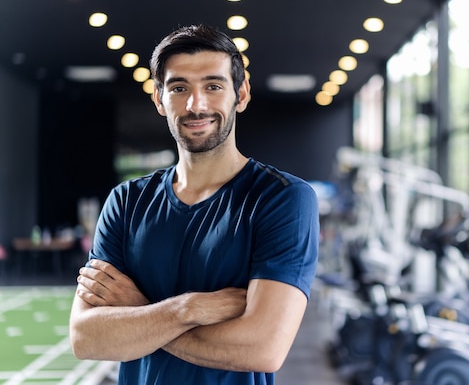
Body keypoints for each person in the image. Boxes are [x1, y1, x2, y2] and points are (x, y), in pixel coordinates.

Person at [69, 24, 320, 385]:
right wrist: (189, 308)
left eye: (213, 86)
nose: (195, 105)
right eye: (179, 88)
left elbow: (262, 348)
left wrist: (140, 311)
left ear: (242, 94)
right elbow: (86, 337)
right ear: (159, 99)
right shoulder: (126, 201)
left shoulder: (281, 199)